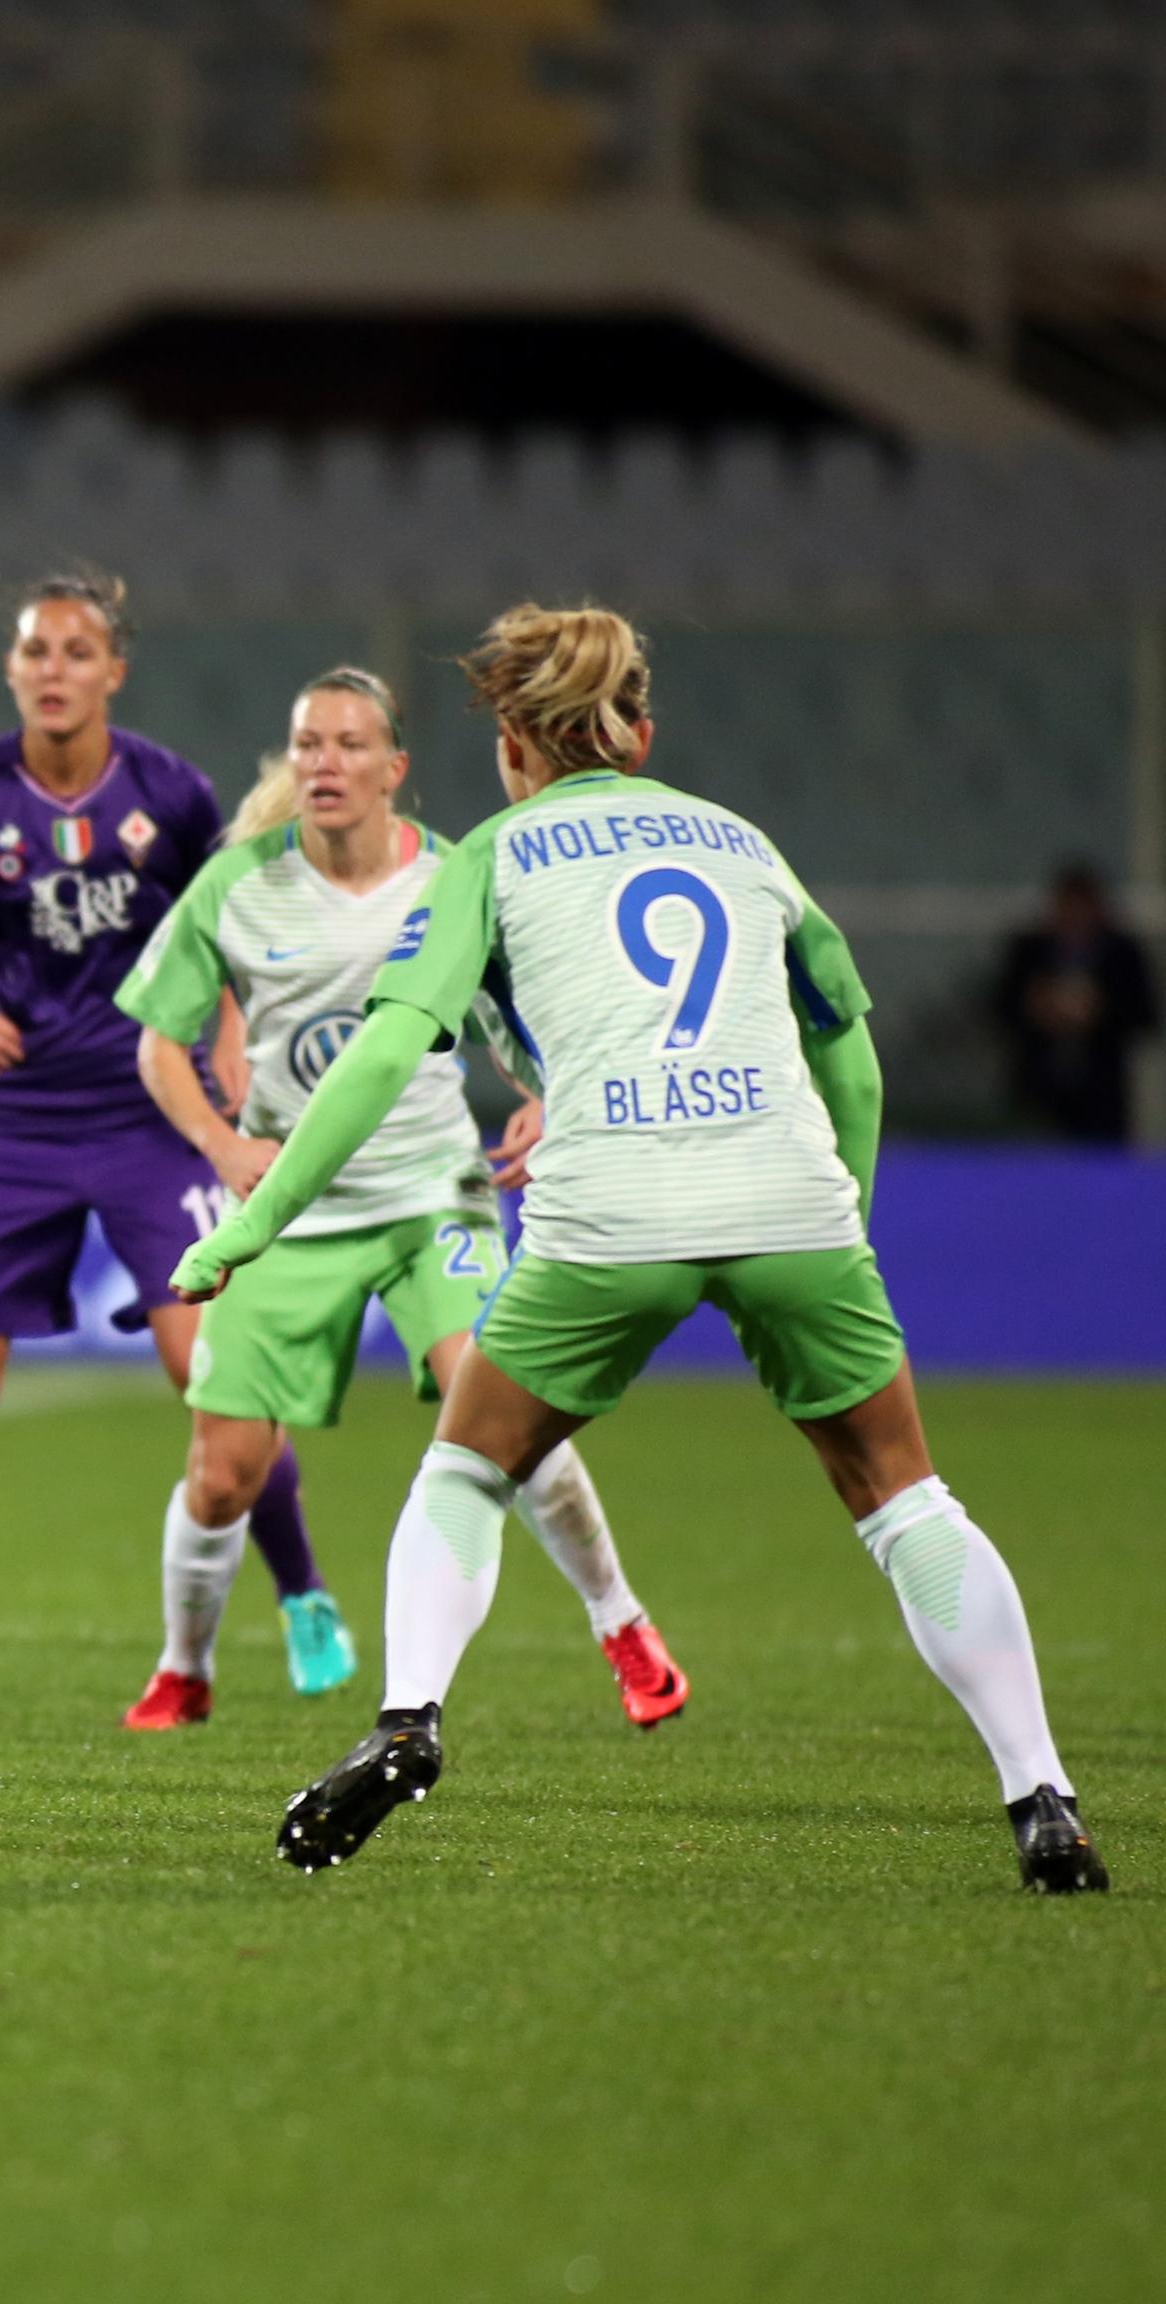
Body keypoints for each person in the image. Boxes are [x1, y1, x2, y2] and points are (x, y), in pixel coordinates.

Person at [178, 603, 1107, 1893]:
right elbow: (848, 1043)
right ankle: (1042, 1797)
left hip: (612, 1208)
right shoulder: (741, 841)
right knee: (905, 1496)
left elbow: (390, 1046)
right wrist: (847, 1214)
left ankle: (407, 1722)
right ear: (641, 735)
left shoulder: (489, 854)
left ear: (513, 743)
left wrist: (257, 1216)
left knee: (467, 1465)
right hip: (791, 1202)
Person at [113, 668, 684, 1733]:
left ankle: (623, 1624)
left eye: (348, 743)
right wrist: (218, 1141)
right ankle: (183, 1664)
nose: (323, 763)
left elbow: (525, 1016)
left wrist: (548, 1098)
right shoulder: (238, 885)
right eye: (307, 744)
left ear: (394, 768)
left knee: (499, 1402)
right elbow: (158, 1043)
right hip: (293, 1207)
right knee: (226, 1472)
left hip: (434, 1190)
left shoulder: (460, 875)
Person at [0, 569, 341, 1700]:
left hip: (149, 1113)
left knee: (208, 1370)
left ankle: (305, 1594)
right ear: (12, 670)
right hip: (10, 1121)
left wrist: (228, 1034)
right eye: (35, 652)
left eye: (76, 652)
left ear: (114, 670)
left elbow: (232, 925)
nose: (53, 671)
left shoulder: (172, 790)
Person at [993, 864, 1153, 1145]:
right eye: (1068, 906)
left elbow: (1145, 1016)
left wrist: (1099, 1010)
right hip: (1036, 1089)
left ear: (1098, 909)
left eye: (1082, 906)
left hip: (1102, 1094)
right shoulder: (1029, 950)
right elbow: (998, 1008)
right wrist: (1037, 1007)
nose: (1075, 915)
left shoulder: (1123, 954)